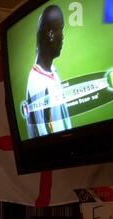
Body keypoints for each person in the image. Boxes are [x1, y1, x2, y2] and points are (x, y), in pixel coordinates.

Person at [24, 5, 71, 139]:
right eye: (61, 29)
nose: (63, 36)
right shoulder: (37, 84)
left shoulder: (52, 73)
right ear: (50, 34)